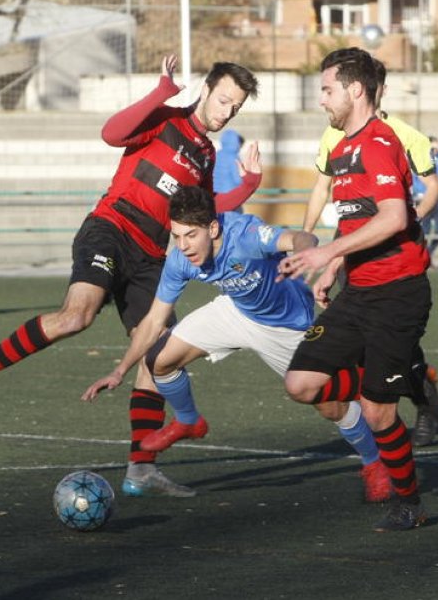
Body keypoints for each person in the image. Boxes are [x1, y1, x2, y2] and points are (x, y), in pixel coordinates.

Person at [0, 55, 261, 498]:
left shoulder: (206, 154)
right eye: (224, 100)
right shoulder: (165, 118)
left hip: (152, 255)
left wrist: (248, 185)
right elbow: (112, 134)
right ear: (205, 89)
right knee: (77, 317)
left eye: (236, 108)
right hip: (111, 228)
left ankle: (141, 468)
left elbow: (204, 210)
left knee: (159, 354)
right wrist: (161, 92)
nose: (227, 113)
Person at [81, 186, 393, 503]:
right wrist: (120, 371)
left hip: (286, 327)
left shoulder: (245, 234)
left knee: (329, 405)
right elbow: (152, 322)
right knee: (159, 359)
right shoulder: (179, 259)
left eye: (190, 236)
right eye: (176, 236)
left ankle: (374, 463)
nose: (183, 246)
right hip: (236, 309)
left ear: (213, 228)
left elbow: (298, 238)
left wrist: (304, 252)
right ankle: (189, 421)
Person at [279, 47, 432, 531]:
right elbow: (358, 220)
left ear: (354, 89)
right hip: (358, 291)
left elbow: (395, 216)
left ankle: (409, 502)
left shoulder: (379, 142)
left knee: (377, 412)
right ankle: (401, 376)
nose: (321, 99)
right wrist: (334, 265)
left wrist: (325, 252)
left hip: (399, 293)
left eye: (327, 89)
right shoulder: (343, 147)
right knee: (302, 384)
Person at [301, 57, 438, 448]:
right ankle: (391, 406)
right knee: (362, 352)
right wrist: (320, 252)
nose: (323, 99)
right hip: (353, 257)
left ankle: (423, 403)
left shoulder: (399, 136)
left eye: (328, 89)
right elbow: (336, 201)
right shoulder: (335, 136)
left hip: (395, 266)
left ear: (367, 89)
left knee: (391, 352)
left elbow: (432, 187)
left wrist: (407, 217)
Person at [415, 136, 438, 258]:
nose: (433, 149)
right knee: (424, 230)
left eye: (435, 146)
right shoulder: (420, 159)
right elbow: (414, 178)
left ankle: (429, 254)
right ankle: (422, 257)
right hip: (425, 198)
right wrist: (422, 193)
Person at [213, 129, 246, 213]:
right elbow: (238, 179)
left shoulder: (217, 155)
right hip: (230, 195)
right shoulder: (234, 157)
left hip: (215, 196)